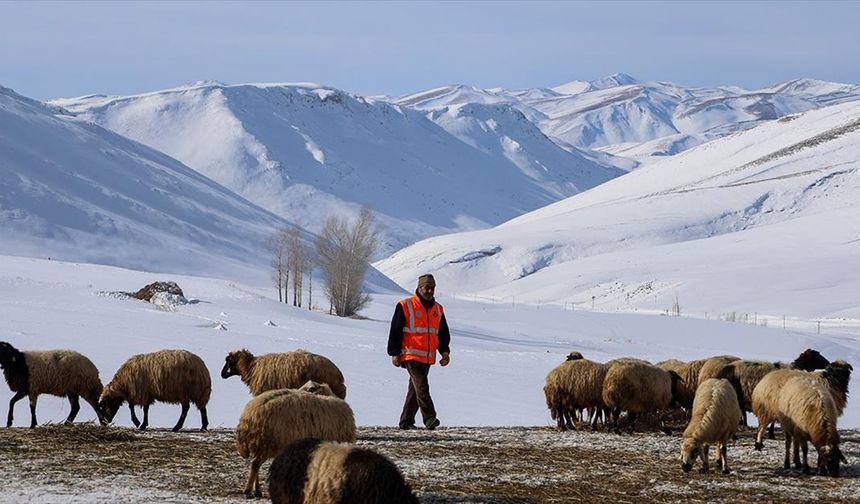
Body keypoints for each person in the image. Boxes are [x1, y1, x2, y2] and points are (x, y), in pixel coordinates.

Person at [387, 273, 451, 430]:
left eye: (432, 288)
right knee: (422, 387)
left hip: (428, 356)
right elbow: (395, 330)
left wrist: (445, 352)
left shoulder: (438, 309)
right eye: (427, 288)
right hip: (410, 354)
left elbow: (442, 333)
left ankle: (406, 422)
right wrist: (394, 353)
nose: (430, 291)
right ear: (419, 288)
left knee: (415, 389)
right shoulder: (405, 305)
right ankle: (430, 418)